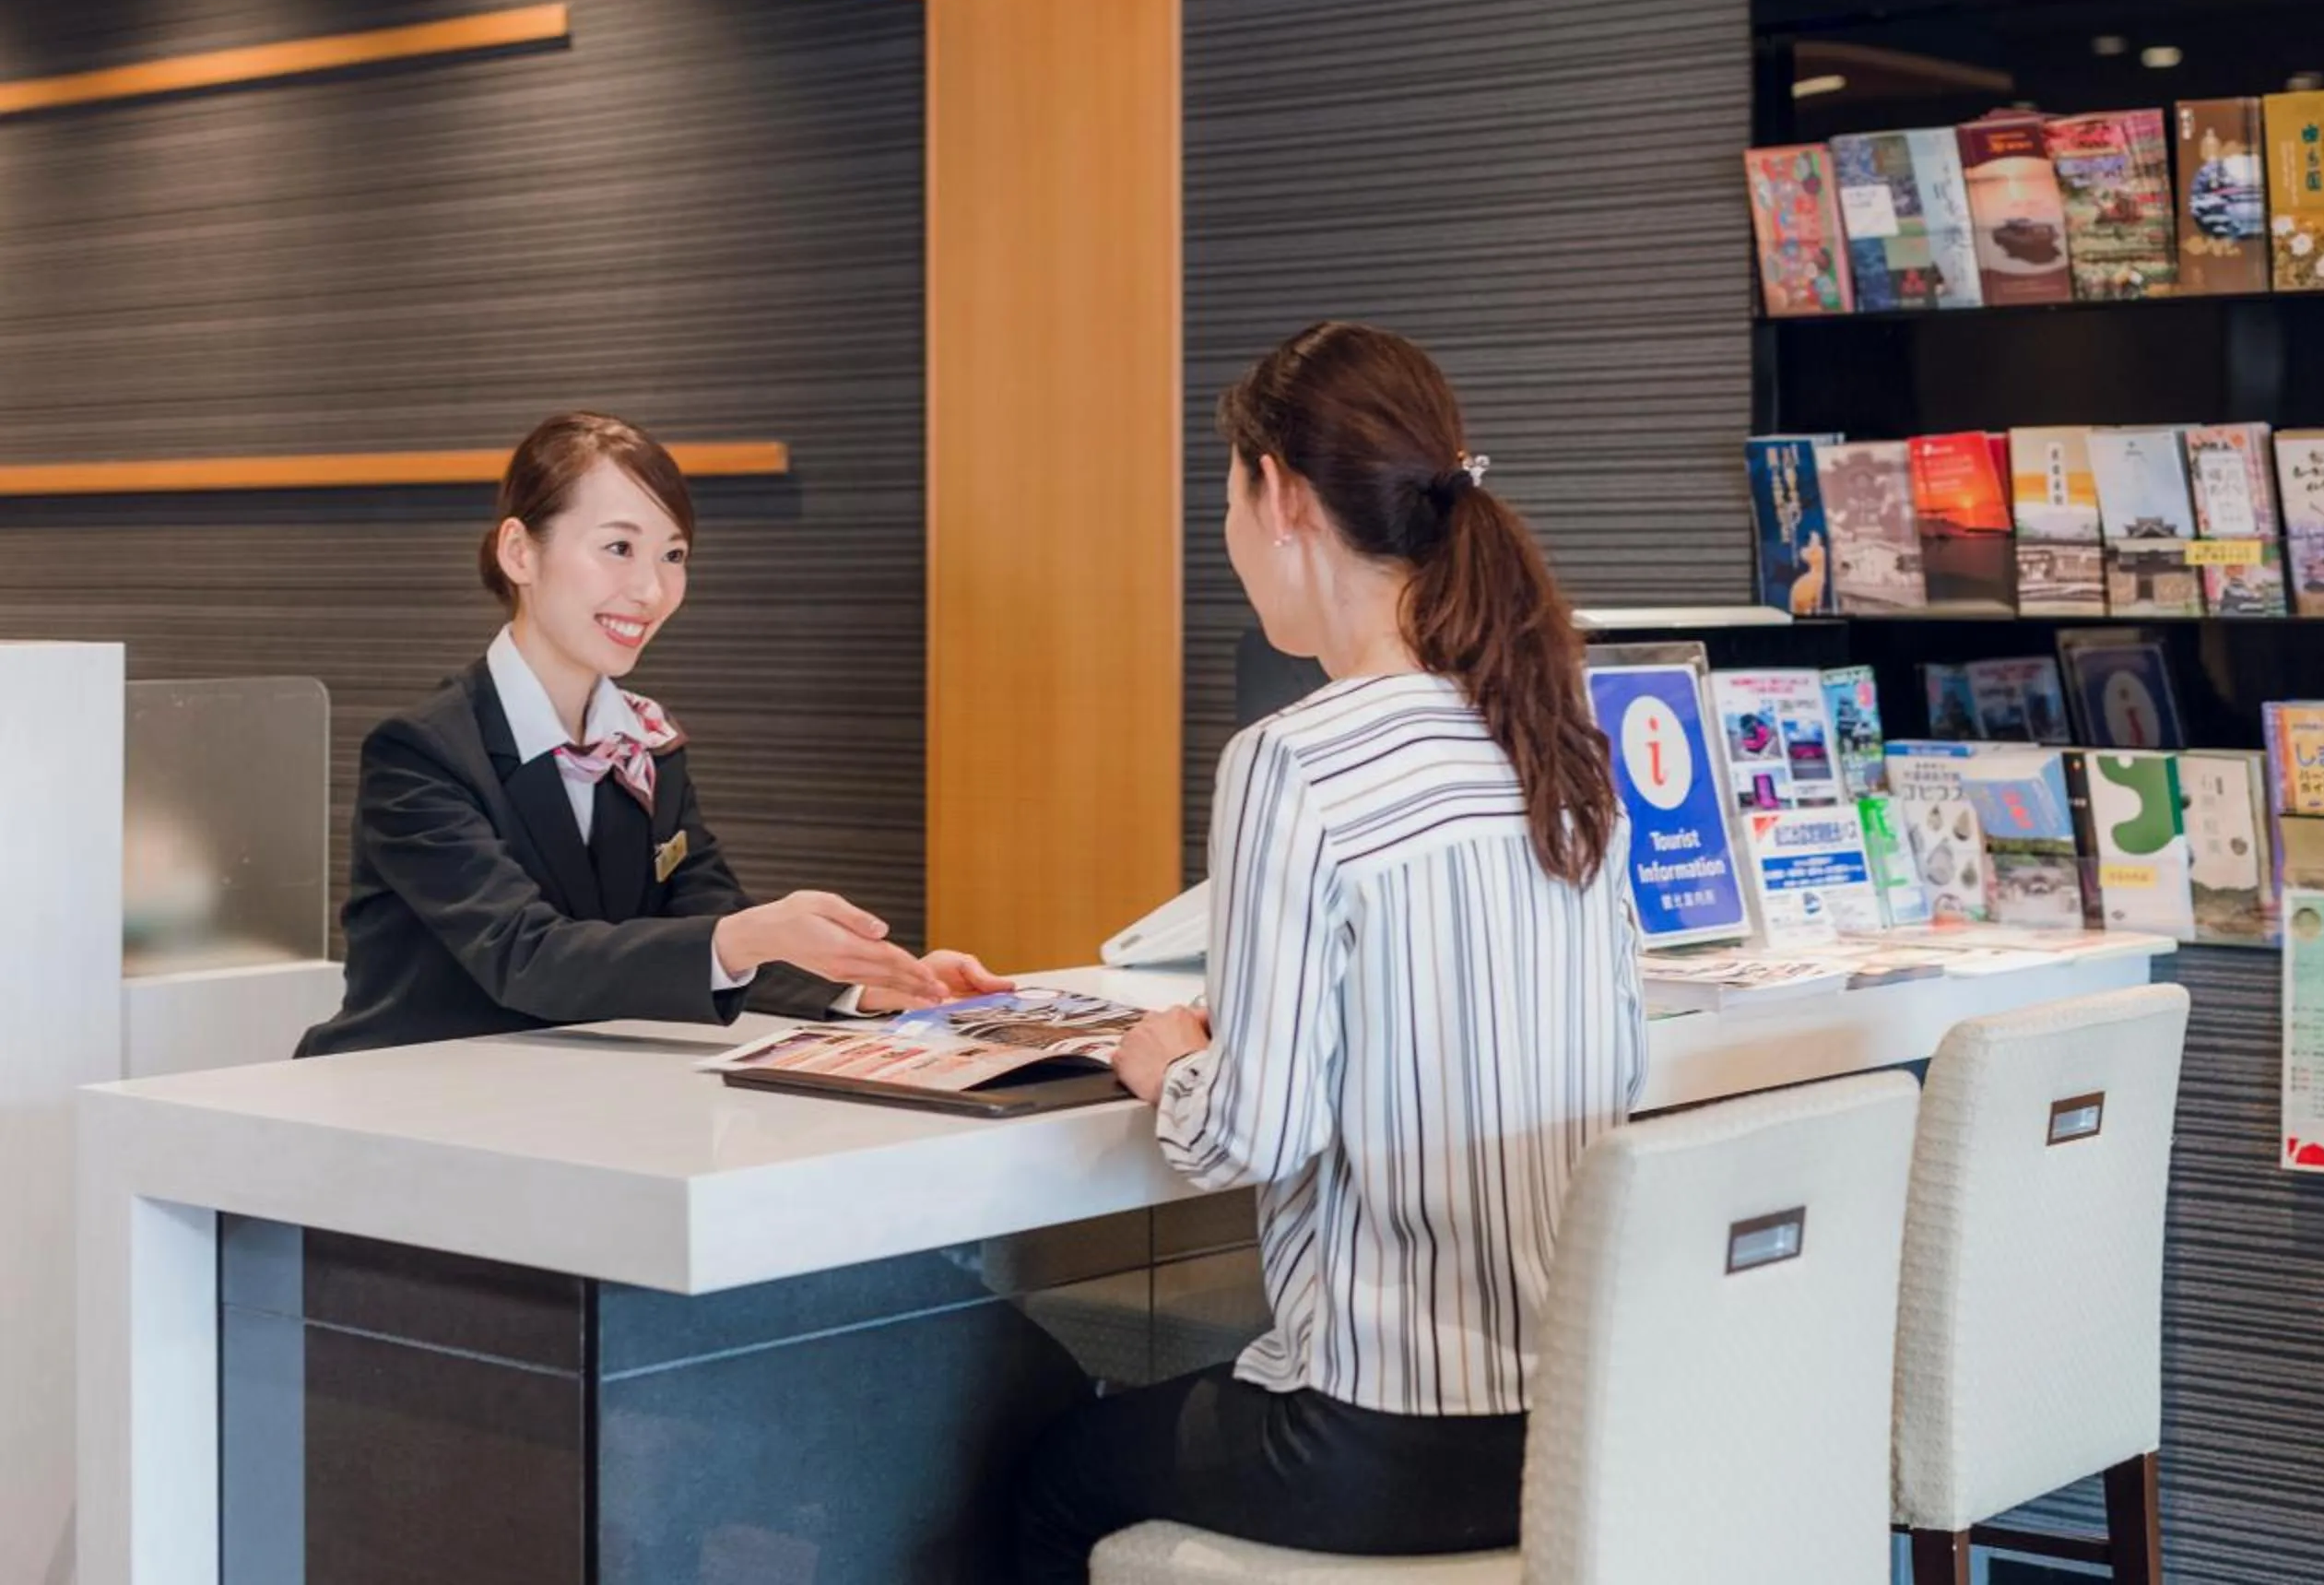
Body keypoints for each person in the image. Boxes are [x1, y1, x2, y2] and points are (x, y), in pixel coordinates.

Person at [1014, 324, 1648, 1579]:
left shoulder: (1294, 763)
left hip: (1380, 1436)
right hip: (1575, 1428)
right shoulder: (1553, 740)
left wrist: (1166, 1065)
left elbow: (1254, 1133)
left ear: (1279, 496)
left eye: (1231, 504)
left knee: (1045, 1477)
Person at [297, 412, 1001, 1058]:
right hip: (405, 1101)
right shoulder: (421, 752)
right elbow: (523, 956)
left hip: (566, 1098)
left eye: (672, 555)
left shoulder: (646, 742)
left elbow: (701, 923)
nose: (652, 591)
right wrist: (748, 934)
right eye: (618, 548)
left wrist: (867, 985)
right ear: (520, 553)